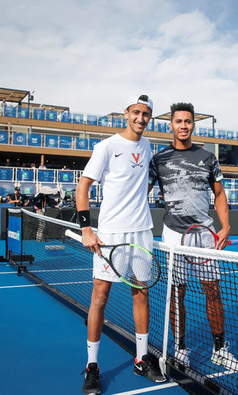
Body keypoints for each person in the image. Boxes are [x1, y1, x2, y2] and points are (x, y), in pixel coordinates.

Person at [76, 94, 164, 394]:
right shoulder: (106, 147)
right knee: (100, 296)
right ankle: (91, 366)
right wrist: (86, 228)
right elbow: (83, 185)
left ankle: (141, 359)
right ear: (126, 113)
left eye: (147, 114)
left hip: (142, 233)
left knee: (141, 293)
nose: (141, 118)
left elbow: (143, 181)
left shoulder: (148, 145)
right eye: (137, 112)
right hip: (111, 234)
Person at [148, 102, 238, 371]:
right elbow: (141, 191)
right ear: (171, 126)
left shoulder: (207, 157)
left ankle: (220, 349)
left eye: (188, 121)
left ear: (192, 125)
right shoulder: (159, 160)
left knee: (213, 291)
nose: (183, 126)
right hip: (174, 235)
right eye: (179, 121)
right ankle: (180, 348)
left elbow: (220, 194)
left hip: (205, 234)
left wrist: (225, 227)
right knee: (177, 293)